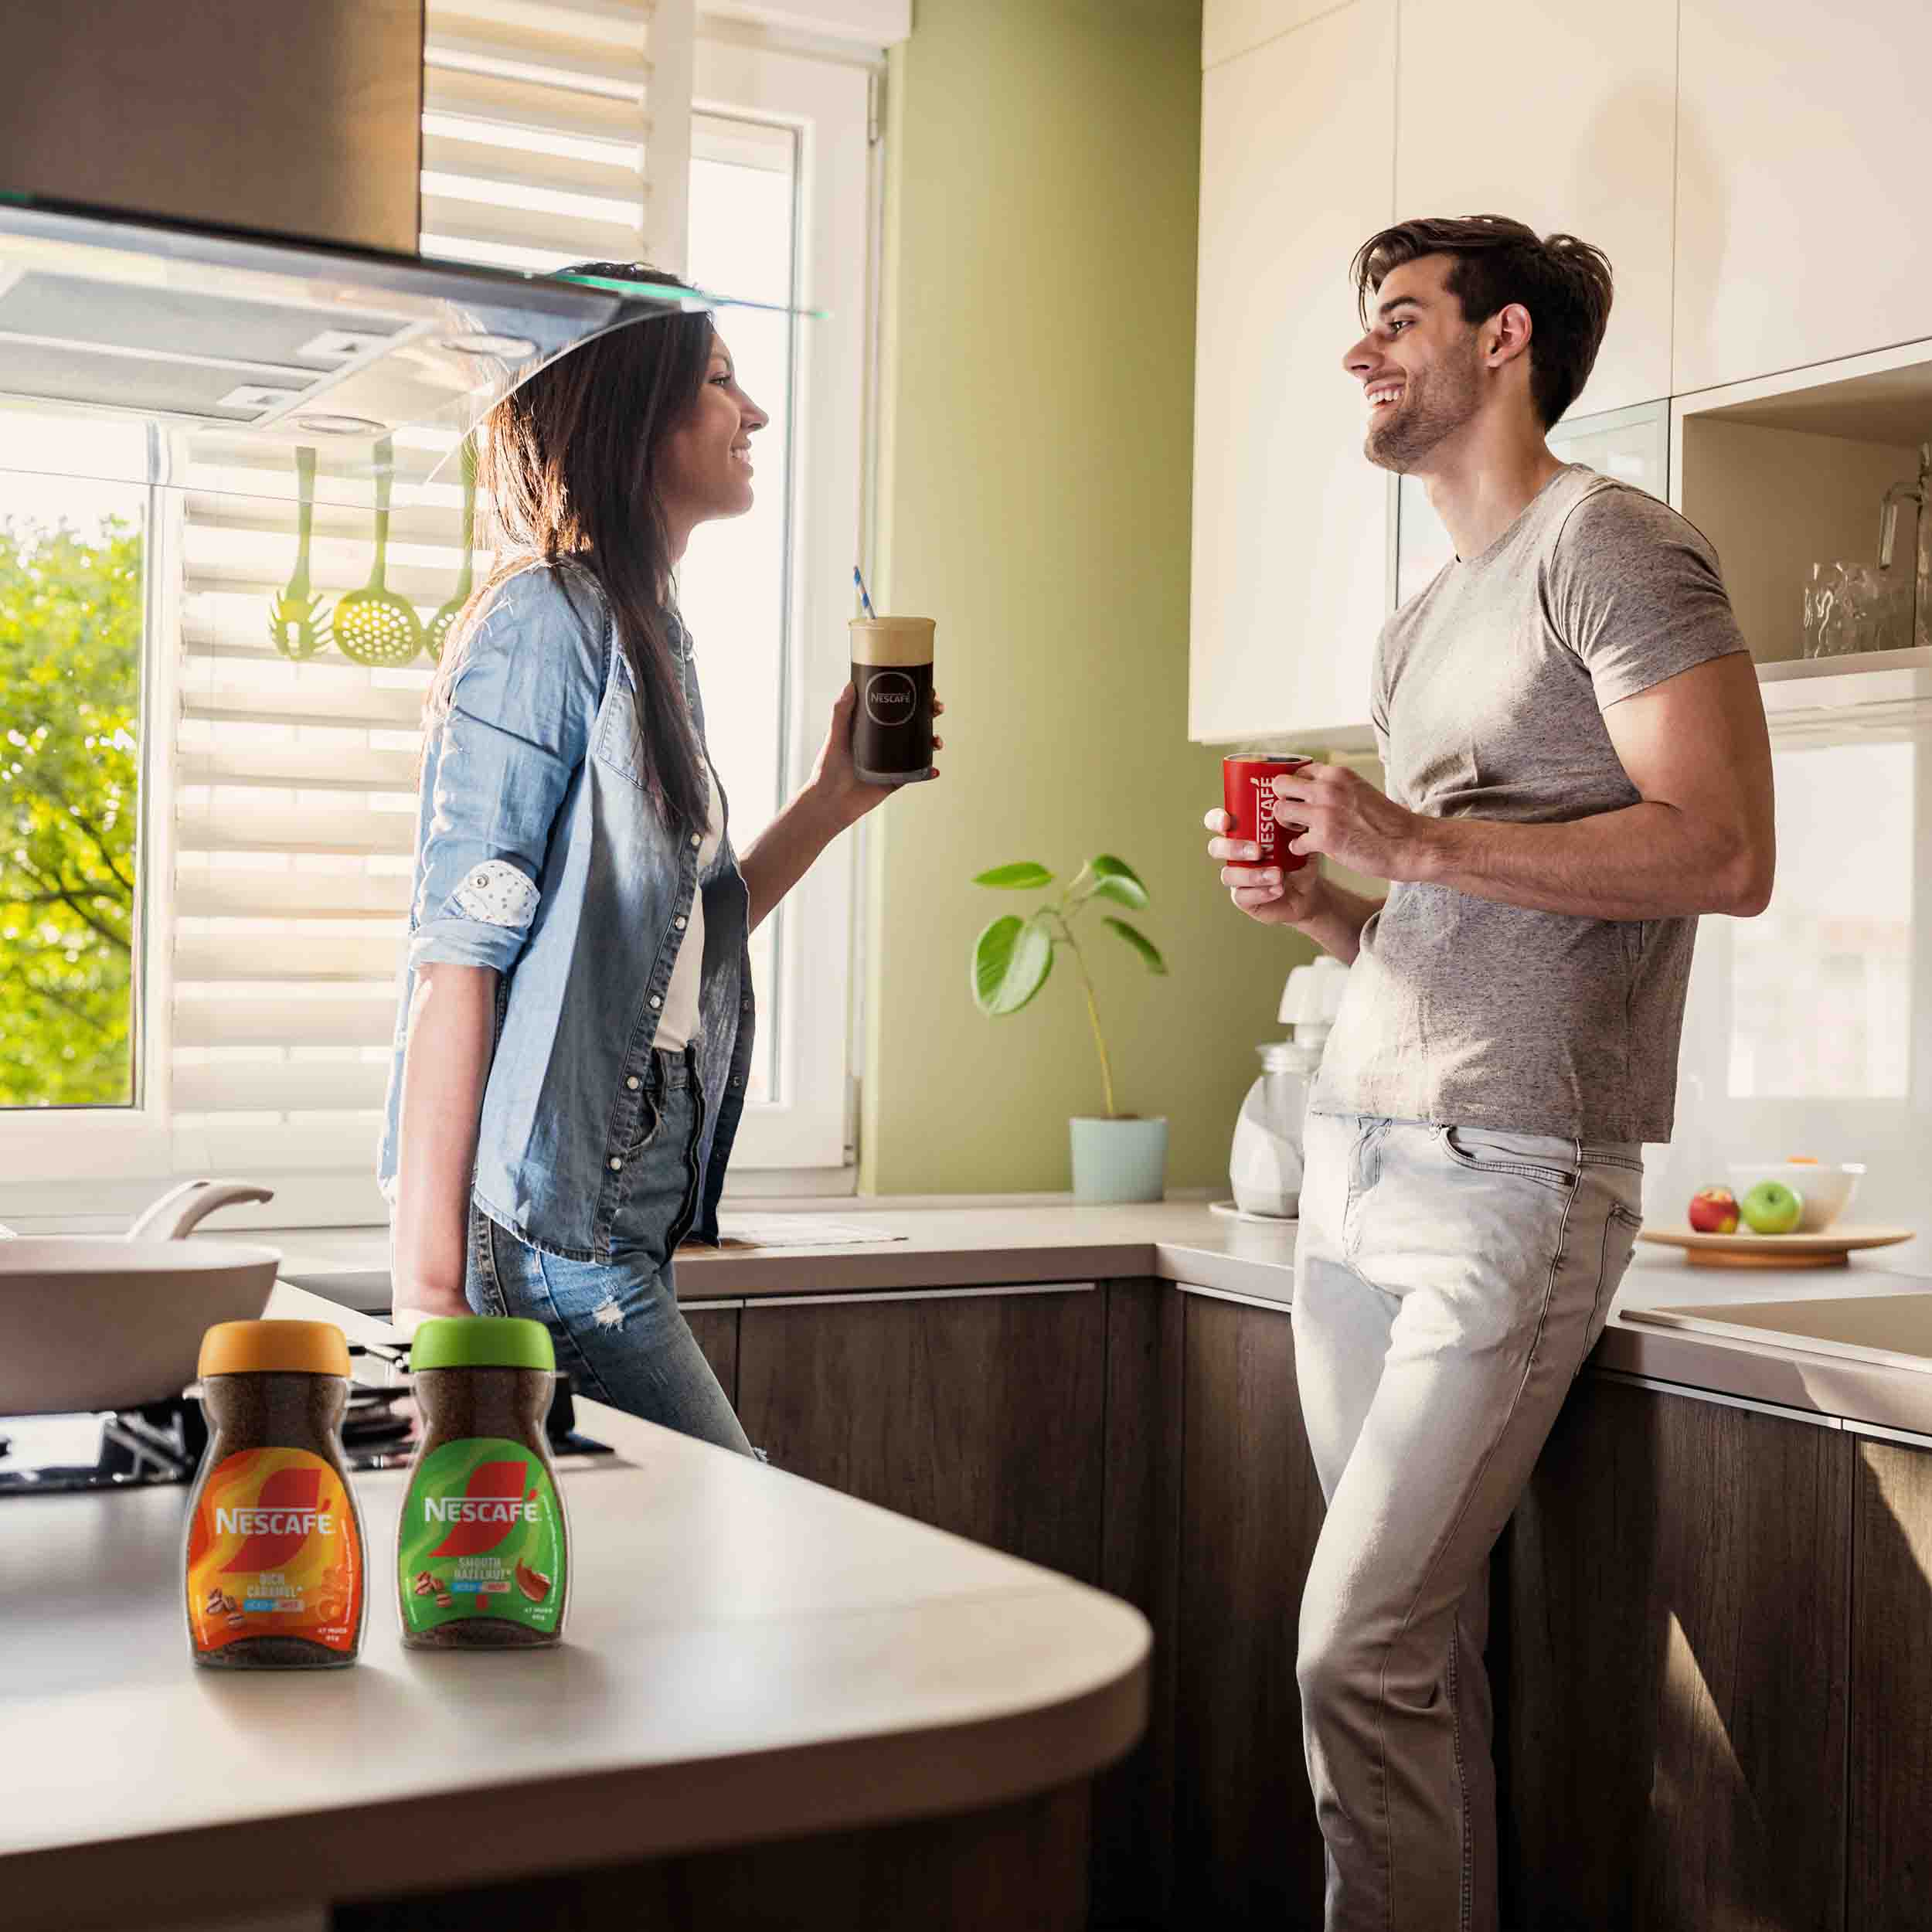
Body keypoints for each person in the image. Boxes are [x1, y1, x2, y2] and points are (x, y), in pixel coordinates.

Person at [1204, 216, 1774, 1931]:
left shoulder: (1613, 546)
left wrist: (1419, 845)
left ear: (1502, 337)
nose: (1363, 354)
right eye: (1359, 327)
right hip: (1355, 1162)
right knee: (1408, 1651)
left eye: (1397, 318)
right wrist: (1327, 905)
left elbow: (1725, 849)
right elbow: (1438, 923)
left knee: (1352, 1645)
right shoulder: (1420, 618)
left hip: (1510, 1179)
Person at [380, 266, 941, 1454]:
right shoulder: (547, 620)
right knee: (731, 1531)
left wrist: (835, 799)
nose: (757, 414)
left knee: (636, 1586)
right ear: (640, 422)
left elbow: (679, 935)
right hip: (554, 1229)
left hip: (617, 1210)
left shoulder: (648, 636)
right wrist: (430, 1299)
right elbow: (456, 957)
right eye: (723, 382)